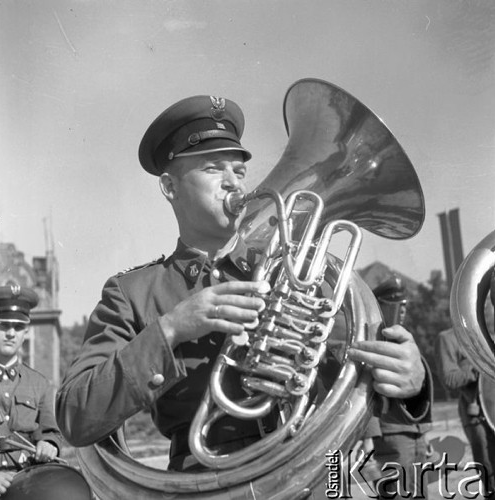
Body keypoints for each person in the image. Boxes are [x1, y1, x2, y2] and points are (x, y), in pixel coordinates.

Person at [56, 94, 430, 474]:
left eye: (239, 171)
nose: (233, 183)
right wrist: (170, 329)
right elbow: (74, 414)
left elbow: (358, 370)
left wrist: (410, 380)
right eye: (214, 169)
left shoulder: (300, 272)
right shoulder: (133, 293)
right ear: (170, 187)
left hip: (316, 474)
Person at [361, 276, 433, 499]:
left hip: (414, 434)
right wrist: (367, 440)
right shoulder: (371, 340)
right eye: (394, 305)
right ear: (379, 305)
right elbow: (364, 392)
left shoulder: (404, 341)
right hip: (390, 435)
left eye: (403, 305)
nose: (401, 310)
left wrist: (425, 433)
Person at [0, 284, 62, 498]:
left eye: (18, 327)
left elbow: (50, 432)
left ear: (26, 333)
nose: (10, 333)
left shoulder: (39, 384)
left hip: (28, 489)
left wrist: (49, 445)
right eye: (3, 325)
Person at [436, 326, 495, 497]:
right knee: (490, 471)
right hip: (477, 416)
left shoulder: (488, 334)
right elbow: (449, 379)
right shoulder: (447, 338)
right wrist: (478, 369)